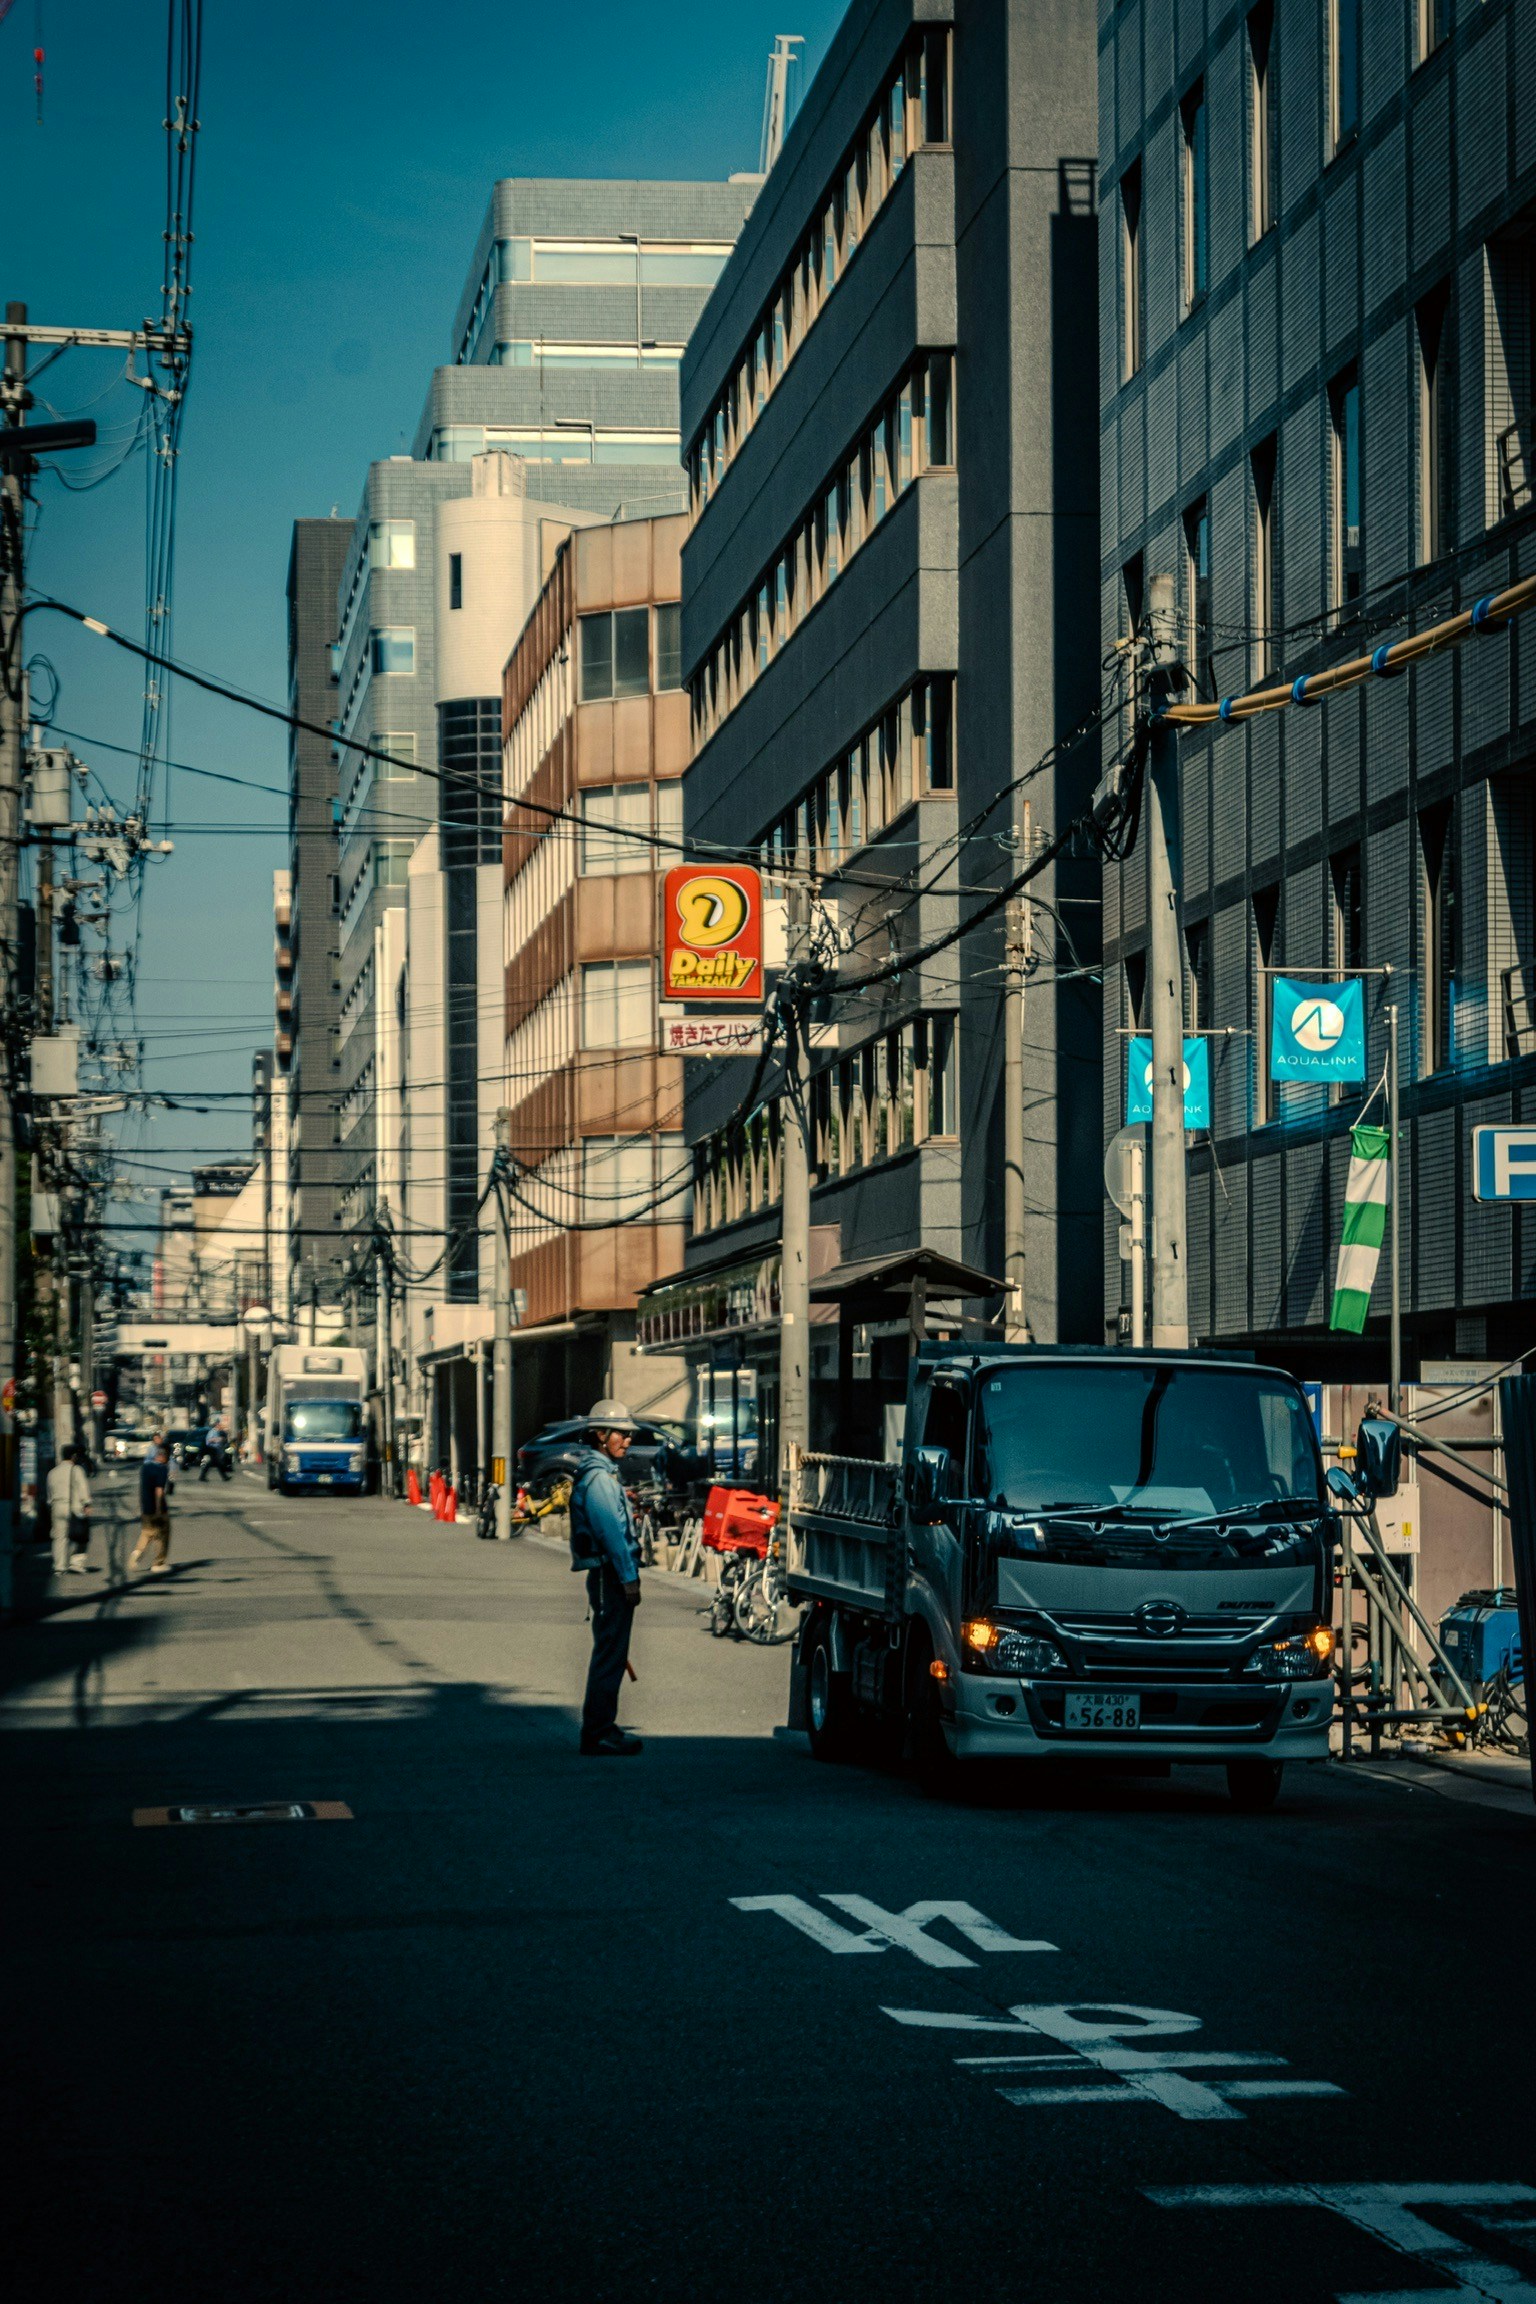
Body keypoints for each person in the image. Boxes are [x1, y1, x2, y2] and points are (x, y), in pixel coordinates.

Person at [568, 1399, 644, 1757]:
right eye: (621, 1434)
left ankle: (603, 1726)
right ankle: (598, 1731)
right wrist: (629, 1577)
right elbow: (612, 1534)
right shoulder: (599, 1478)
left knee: (612, 1651)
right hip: (609, 1574)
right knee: (609, 1653)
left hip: (608, 1574)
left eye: (629, 1436)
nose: (627, 1441)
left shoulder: (602, 1473)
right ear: (601, 1435)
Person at [46, 1442, 93, 1576]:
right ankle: (76, 1563)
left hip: (56, 1506)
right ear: (73, 1456)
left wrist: (51, 1505)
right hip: (74, 1507)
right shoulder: (77, 1470)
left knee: (59, 1537)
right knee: (81, 1536)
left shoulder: (52, 1472)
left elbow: (49, 1494)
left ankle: (59, 1567)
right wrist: (87, 1504)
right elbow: (83, 1488)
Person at [131, 1443, 173, 1575]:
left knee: (147, 1533)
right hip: (157, 1508)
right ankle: (158, 1563)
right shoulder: (162, 1469)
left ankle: (136, 1553)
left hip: (145, 1508)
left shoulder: (145, 1467)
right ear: (163, 1457)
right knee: (162, 1535)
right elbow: (159, 1491)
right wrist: (159, 1509)